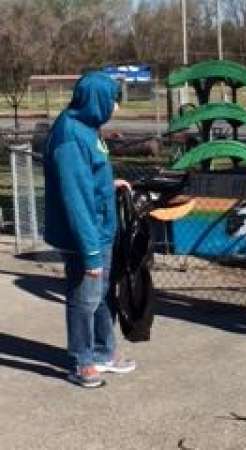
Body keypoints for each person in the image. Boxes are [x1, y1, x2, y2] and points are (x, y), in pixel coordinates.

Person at [44, 71, 135, 387]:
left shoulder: (88, 129)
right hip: (85, 237)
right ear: (97, 100)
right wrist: (91, 252)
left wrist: (109, 186)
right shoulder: (69, 136)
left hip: (101, 230)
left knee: (100, 295)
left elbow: (88, 179)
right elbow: (75, 199)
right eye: (113, 100)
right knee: (84, 298)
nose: (115, 108)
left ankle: (103, 352)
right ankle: (83, 360)